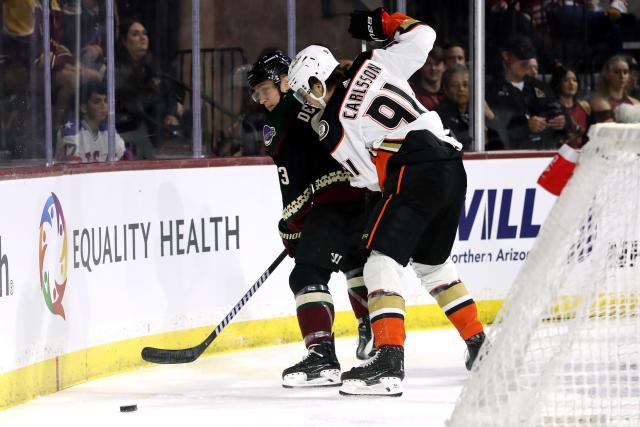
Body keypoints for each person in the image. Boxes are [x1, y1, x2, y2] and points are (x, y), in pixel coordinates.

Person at [288, 8, 486, 396]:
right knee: (433, 266)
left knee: (380, 263)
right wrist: (382, 23)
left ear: (315, 80)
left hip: (414, 171)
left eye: (302, 91)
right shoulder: (374, 62)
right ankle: (479, 344)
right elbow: (425, 36)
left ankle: (388, 362)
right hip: (450, 163)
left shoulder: (332, 125)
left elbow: (366, 177)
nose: (304, 101)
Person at [247, 51, 375, 388]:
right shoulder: (321, 96)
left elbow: (295, 184)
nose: (261, 99)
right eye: (256, 92)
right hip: (368, 194)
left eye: (265, 89)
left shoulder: (280, 122)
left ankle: (322, 357)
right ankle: (372, 328)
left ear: (286, 82)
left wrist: (290, 226)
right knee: (354, 260)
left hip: (338, 202)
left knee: (306, 272)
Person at [115, 19, 184, 159]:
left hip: (155, 120)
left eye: (144, 34)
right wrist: (166, 108)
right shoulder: (118, 68)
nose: (142, 38)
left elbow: (168, 92)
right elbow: (132, 102)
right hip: (130, 124)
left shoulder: (153, 64)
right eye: (135, 34)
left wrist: (171, 112)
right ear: (124, 41)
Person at [486, 34, 565, 149]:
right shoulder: (491, 89)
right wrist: (526, 126)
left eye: (528, 56)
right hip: (510, 156)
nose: (525, 61)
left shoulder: (538, 86)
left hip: (544, 152)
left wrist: (560, 121)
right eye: (521, 56)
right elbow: (497, 127)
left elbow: (556, 109)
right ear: (506, 56)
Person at [55, 80, 129, 162]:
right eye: (97, 102)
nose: (104, 106)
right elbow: (74, 170)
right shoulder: (72, 131)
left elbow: (126, 158)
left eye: (105, 101)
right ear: (84, 108)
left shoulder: (108, 130)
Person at [435, 64, 499, 151]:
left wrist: (490, 116)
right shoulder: (438, 116)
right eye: (455, 85)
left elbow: (503, 142)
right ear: (446, 89)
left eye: (465, 85)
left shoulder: (481, 109)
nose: (461, 89)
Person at [549, 65, 592, 148]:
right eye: (566, 80)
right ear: (558, 83)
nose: (571, 83)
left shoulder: (584, 107)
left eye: (574, 80)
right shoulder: (551, 108)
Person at [590, 54, 640, 123]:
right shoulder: (600, 101)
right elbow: (611, 129)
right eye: (616, 72)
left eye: (625, 72)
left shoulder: (635, 102)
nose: (622, 76)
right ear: (607, 75)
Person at [409, 46, 446, 110]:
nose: (433, 68)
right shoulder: (411, 94)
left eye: (437, 64)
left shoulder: (450, 94)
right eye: (428, 63)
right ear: (420, 66)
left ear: (445, 67)